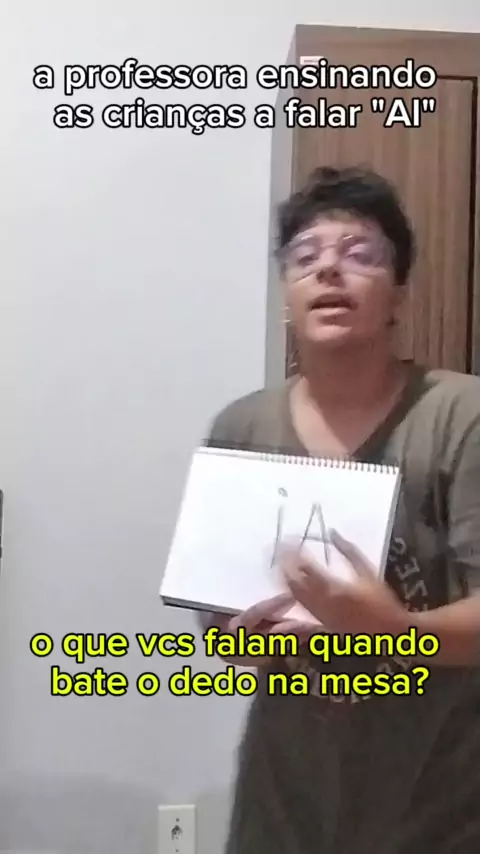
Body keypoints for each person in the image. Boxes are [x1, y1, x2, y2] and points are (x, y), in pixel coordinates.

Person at [199, 166, 480, 853]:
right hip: (283, 802)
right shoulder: (242, 428)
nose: (328, 269)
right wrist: (243, 637)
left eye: (360, 254)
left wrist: (396, 631)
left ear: (398, 295)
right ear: (287, 294)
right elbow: (217, 626)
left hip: (438, 804)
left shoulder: (461, 416)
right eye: (305, 257)